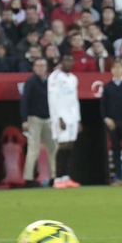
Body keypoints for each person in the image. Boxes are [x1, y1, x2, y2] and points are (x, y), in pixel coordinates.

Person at [48, 52, 81, 188]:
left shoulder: (73, 78)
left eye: (71, 61)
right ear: (61, 62)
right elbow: (52, 99)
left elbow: (75, 100)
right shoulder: (54, 77)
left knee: (70, 146)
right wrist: (58, 117)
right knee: (61, 147)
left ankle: (66, 177)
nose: (69, 63)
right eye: (66, 60)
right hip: (61, 117)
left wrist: (78, 119)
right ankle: (57, 179)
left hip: (72, 117)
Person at [20, 56, 54, 187]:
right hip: (34, 118)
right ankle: (28, 178)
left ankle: (54, 176)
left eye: (43, 65)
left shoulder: (49, 81)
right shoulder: (30, 82)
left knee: (53, 147)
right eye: (38, 66)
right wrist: (25, 120)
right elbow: (24, 102)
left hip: (48, 118)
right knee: (33, 148)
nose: (41, 68)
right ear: (34, 68)